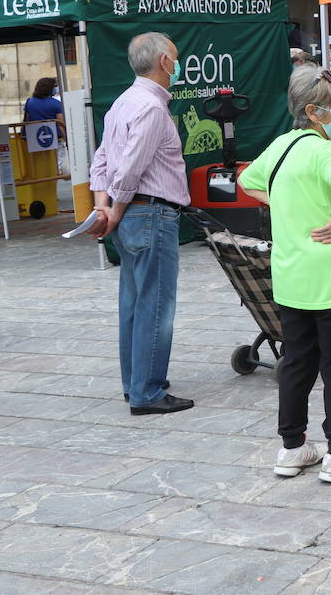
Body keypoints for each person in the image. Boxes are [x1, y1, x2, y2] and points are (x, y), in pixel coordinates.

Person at [239, 65, 331, 483]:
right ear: (316, 111)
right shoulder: (327, 152)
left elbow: (246, 181)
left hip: (291, 276)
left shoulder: (281, 146)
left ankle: (292, 448)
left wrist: (280, 204)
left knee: (298, 363)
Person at [87, 32, 194, 415]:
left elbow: (101, 160)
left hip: (135, 214)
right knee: (155, 303)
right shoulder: (149, 107)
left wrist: (104, 205)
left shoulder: (122, 103)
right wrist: (112, 209)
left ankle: (136, 383)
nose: (177, 65)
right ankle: (147, 391)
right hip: (150, 213)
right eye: (176, 59)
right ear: (165, 62)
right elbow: (130, 166)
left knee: (134, 301)